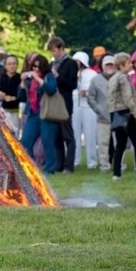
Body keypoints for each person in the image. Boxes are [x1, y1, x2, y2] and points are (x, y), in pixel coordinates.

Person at [109, 52, 136, 182]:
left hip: (116, 114)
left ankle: (116, 174)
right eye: (128, 63)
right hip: (127, 114)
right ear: (121, 65)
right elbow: (128, 98)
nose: (131, 65)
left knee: (120, 145)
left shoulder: (112, 78)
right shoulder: (124, 78)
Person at [17, 55, 59, 173]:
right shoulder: (29, 79)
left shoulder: (48, 76)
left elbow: (51, 90)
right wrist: (22, 81)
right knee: (25, 141)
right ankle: (28, 167)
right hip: (33, 115)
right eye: (34, 66)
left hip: (47, 115)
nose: (35, 69)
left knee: (47, 141)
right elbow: (20, 97)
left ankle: (49, 169)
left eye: (38, 67)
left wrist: (38, 79)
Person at [47, 36, 77, 172]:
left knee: (67, 135)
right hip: (53, 103)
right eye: (51, 51)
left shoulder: (70, 63)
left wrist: (58, 76)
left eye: (54, 50)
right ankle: (59, 164)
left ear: (61, 49)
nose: (53, 54)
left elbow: (72, 84)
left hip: (65, 103)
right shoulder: (51, 64)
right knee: (56, 136)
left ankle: (69, 165)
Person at [86, 55, 116, 172]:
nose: (109, 67)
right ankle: (104, 165)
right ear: (103, 66)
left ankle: (120, 165)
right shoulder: (96, 80)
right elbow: (91, 97)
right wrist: (98, 109)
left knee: (119, 143)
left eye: (111, 64)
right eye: (107, 65)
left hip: (118, 116)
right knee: (103, 143)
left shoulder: (120, 78)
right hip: (102, 117)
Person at [71, 51, 98, 169]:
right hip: (74, 106)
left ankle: (91, 161)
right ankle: (75, 160)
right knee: (74, 133)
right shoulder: (71, 73)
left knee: (90, 133)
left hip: (89, 106)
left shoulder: (92, 74)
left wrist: (86, 92)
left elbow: (97, 90)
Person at [0, 53, 22, 134]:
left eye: (14, 64)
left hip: (14, 112)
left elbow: (24, 96)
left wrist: (14, 98)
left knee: (14, 136)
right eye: (9, 64)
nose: (12, 66)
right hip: (0, 111)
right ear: (5, 65)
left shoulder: (20, 78)